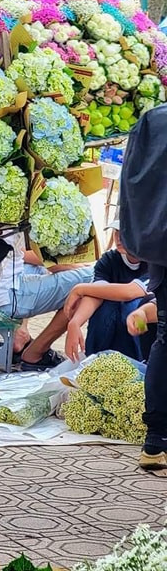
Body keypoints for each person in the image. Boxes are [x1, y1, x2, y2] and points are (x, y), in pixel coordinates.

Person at [0, 230, 94, 370]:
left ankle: (19, 334)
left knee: (33, 266)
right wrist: (76, 268)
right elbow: (47, 261)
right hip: (0, 299)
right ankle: (36, 353)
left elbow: (25, 253)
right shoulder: (15, 218)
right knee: (93, 279)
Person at [119, 104, 167, 470]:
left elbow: (130, 184)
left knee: (166, 336)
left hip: (160, 245)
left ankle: (155, 442)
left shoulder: (153, 120)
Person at [63, 216, 152, 362]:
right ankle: (93, 358)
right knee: (104, 303)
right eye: (116, 232)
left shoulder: (155, 263)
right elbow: (95, 293)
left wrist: (80, 288)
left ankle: (143, 361)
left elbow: (129, 293)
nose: (119, 238)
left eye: (126, 232)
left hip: (141, 328)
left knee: (134, 307)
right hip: (111, 333)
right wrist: (75, 322)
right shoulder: (109, 260)